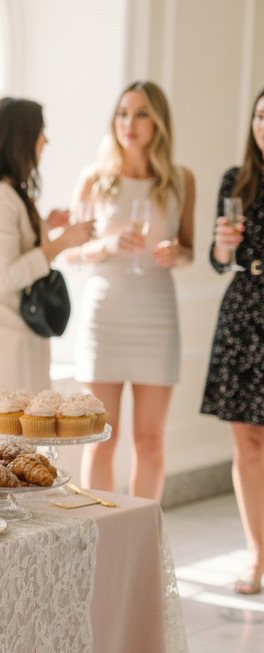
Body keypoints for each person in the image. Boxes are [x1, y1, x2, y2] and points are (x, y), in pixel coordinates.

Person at [62, 81, 195, 500]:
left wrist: (178, 253)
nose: (129, 123)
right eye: (123, 113)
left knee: (150, 442)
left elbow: (191, 250)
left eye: (140, 114)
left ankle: (144, 540)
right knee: (102, 437)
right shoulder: (95, 179)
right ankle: (100, 537)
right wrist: (106, 245)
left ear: (158, 122)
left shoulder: (181, 180)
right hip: (106, 316)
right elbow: (70, 253)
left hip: (156, 314)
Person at [0, 97, 94, 443]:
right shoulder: (0, 197)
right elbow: (4, 276)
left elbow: (7, 252)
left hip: (9, 329)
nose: (45, 141)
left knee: (14, 439)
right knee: (6, 439)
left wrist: (44, 227)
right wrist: (61, 243)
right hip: (3, 336)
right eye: (41, 132)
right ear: (21, 138)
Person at [201, 87, 264, 594]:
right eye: (260, 116)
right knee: (246, 440)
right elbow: (218, 260)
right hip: (245, 310)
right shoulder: (236, 180)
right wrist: (223, 250)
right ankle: (255, 553)